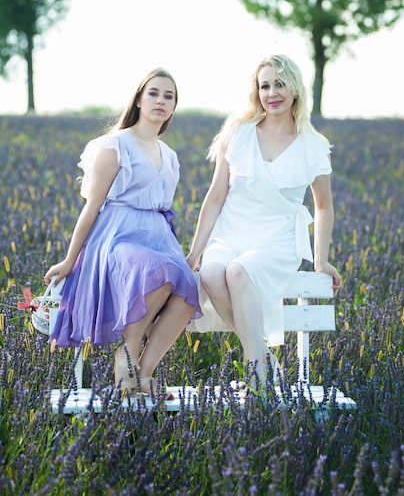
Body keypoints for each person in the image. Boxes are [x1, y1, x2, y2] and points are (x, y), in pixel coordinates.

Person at [44, 68, 201, 398]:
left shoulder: (170, 156)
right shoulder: (116, 145)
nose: (161, 100)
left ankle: (141, 375)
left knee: (187, 288)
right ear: (140, 99)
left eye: (169, 96)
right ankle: (126, 354)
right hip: (117, 236)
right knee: (163, 271)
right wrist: (70, 259)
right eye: (154, 93)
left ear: (174, 107)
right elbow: (92, 206)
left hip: (157, 235)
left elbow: (163, 211)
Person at [186, 54, 341, 389]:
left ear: (295, 90)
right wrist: (195, 252)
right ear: (256, 91)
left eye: (280, 84)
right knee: (212, 273)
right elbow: (215, 197)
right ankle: (266, 359)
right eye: (265, 85)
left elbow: (324, 205)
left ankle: (256, 375)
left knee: (238, 272)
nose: (272, 93)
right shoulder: (238, 133)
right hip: (232, 231)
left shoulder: (313, 145)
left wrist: (321, 259)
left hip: (278, 238)